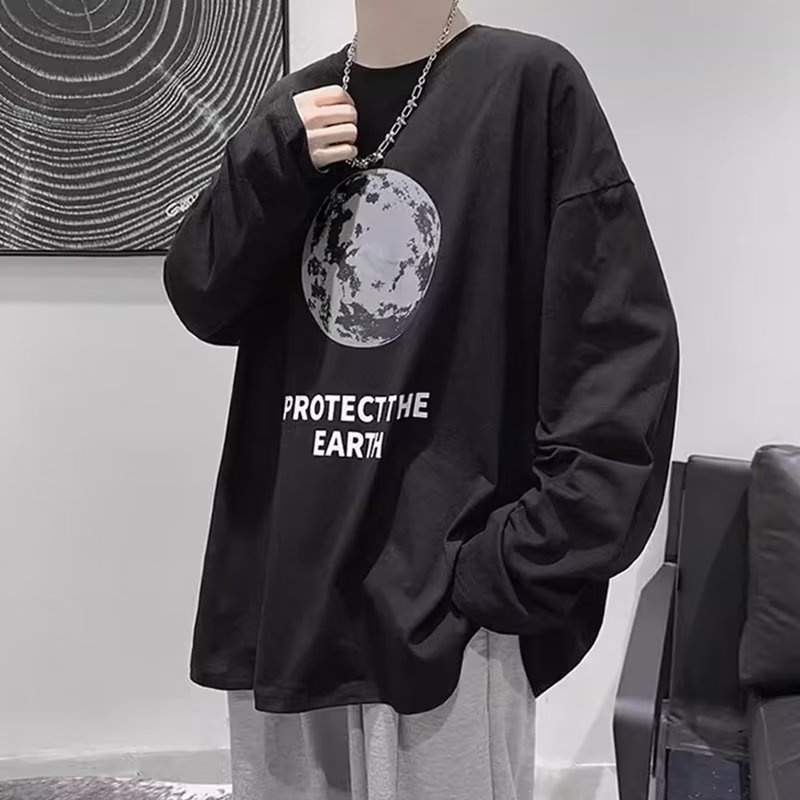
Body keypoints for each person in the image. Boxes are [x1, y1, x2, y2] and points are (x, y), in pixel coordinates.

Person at [163, 0, 680, 797]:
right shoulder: (298, 108)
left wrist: (518, 563)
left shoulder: (526, 85)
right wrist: (271, 157)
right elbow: (204, 296)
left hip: (445, 611)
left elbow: (617, 351)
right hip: (286, 600)